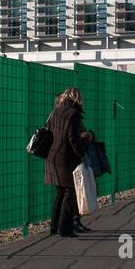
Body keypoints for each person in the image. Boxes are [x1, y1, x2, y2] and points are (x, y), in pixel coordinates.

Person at [44, 87, 95, 237]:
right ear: (77, 99)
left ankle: (54, 227)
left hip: (52, 157)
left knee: (59, 192)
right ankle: (64, 228)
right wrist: (82, 154)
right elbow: (73, 138)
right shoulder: (73, 115)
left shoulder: (55, 111)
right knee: (70, 192)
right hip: (65, 158)